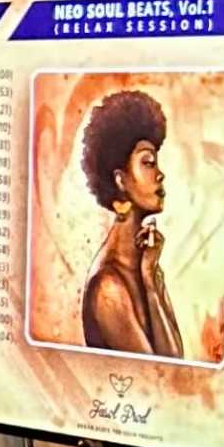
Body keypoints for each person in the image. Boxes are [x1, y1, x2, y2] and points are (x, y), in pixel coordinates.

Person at [76, 89, 186, 359]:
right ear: (120, 180)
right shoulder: (108, 288)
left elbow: (176, 360)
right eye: (147, 162)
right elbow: (160, 377)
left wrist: (150, 281)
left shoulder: (146, 265)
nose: (160, 174)